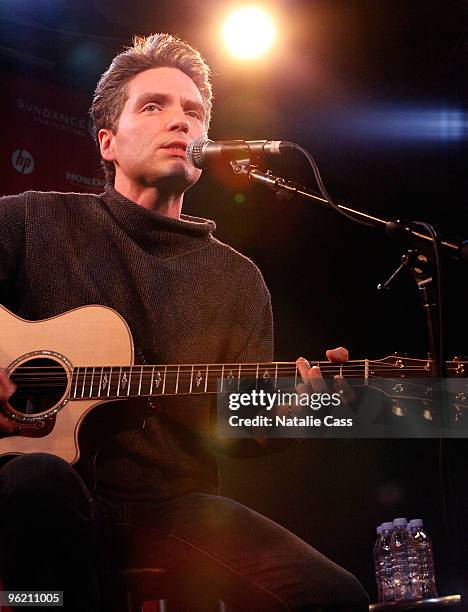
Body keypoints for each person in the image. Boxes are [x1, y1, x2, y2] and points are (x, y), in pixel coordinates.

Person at [0, 33, 368, 611]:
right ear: (107, 142)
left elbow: (238, 427)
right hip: (35, 488)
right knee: (40, 483)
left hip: (170, 505)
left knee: (335, 596)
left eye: (194, 113)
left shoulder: (238, 280)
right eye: (154, 106)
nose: (182, 123)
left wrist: (300, 415)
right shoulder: (29, 221)